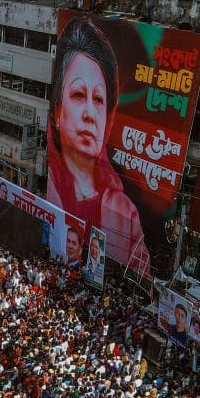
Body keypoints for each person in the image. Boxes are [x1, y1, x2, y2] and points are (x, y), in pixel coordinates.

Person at [46, 17, 151, 276]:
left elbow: (142, 280)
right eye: (79, 95)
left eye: (99, 99)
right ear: (58, 112)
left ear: (108, 117)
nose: (90, 113)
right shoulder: (48, 184)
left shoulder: (127, 216)